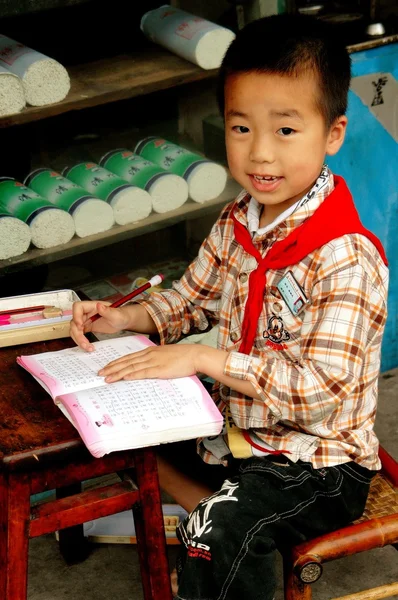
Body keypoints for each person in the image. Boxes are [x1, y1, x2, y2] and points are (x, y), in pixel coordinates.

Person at [70, 13, 389, 600]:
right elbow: (189, 298)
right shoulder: (240, 219)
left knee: (219, 531)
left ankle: (214, 541)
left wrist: (202, 359)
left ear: (333, 133)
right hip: (240, 434)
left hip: (315, 465)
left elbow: (318, 392)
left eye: (286, 131)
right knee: (110, 426)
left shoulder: (345, 258)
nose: (260, 154)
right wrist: (127, 318)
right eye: (241, 128)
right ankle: (208, 523)